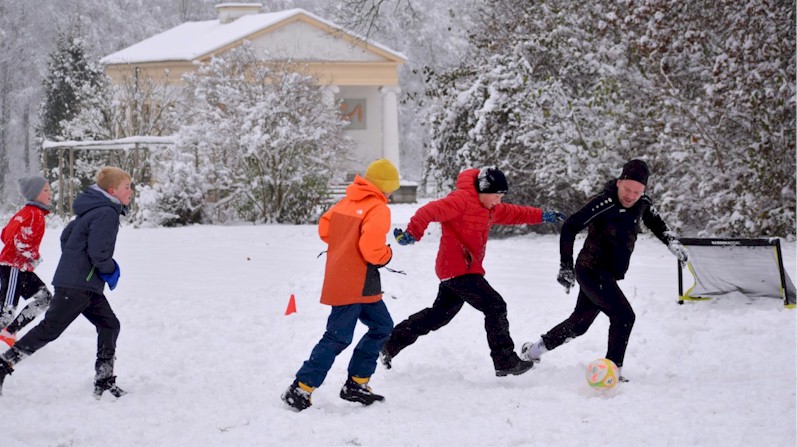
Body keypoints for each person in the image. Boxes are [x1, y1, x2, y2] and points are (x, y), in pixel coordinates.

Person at [382, 167, 566, 377]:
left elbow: (516, 212)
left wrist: (544, 215)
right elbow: (428, 211)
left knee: (438, 316)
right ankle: (504, 360)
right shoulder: (461, 201)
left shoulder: (490, 208)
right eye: (495, 195)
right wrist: (413, 233)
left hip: (462, 270)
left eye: (500, 197)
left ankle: (389, 345)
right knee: (495, 305)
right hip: (458, 268)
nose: (498, 201)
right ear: (484, 190)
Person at [520, 159, 689, 381]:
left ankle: (533, 351)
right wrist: (565, 266)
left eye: (637, 192)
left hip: (607, 274)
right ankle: (613, 371)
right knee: (624, 316)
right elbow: (570, 226)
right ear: (619, 182)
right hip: (590, 269)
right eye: (627, 189)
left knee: (579, 325)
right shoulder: (604, 203)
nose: (631, 196)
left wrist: (671, 242)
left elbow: (657, 222)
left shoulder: (642, 203)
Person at [0, 167, 134, 398]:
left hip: (85, 284)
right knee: (50, 329)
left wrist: (75, 262)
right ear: (113, 191)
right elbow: (99, 253)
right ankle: (4, 364)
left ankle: (104, 380)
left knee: (109, 324)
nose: (131, 191)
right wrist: (110, 270)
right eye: (127, 187)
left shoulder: (91, 210)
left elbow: (66, 237)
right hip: (78, 286)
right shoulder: (107, 212)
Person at [282, 159, 400, 411]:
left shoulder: (348, 200)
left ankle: (356, 384)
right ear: (386, 187)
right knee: (338, 337)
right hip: (357, 281)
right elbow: (372, 250)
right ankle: (301, 388)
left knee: (382, 326)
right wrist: (386, 256)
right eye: (392, 187)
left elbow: (325, 229)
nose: (392, 193)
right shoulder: (378, 208)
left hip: (347, 278)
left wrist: (346, 243)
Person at [0, 176, 54, 348]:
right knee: (6, 312)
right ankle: (7, 330)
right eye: (46, 190)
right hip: (14, 267)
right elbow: (20, 242)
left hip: (19, 267)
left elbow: (5, 234)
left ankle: (9, 331)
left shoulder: (23, 213)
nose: (50, 193)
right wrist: (35, 256)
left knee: (44, 298)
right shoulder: (34, 214)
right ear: (35, 194)